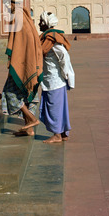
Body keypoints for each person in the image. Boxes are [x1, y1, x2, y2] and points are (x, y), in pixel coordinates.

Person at [1, 0, 43, 136]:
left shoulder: (17, 16)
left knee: (10, 92)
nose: (6, 7)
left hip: (21, 62)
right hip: (28, 62)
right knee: (27, 95)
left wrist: (11, 59)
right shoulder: (25, 16)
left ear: (13, 3)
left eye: (7, 4)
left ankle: (31, 119)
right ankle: (29, 129)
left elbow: (16, 41)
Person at [39, 11, 75, 143]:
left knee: (53, 107)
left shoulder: (52, 40)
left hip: (55, 80)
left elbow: (64, 58)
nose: (39, 24)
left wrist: (67, 75)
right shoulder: (46, 39)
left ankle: (57, 135)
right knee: (60, 107)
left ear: (45, 23)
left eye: (40, 21)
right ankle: (64, 133)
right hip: (50, 80)